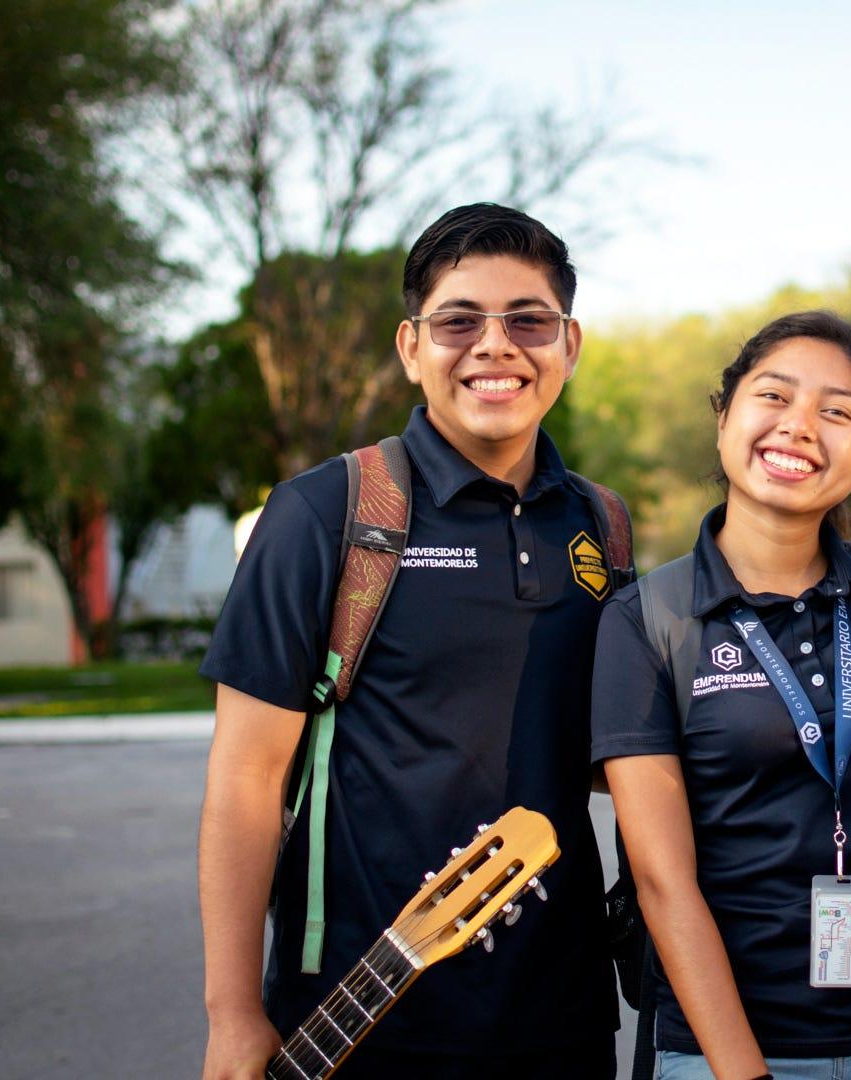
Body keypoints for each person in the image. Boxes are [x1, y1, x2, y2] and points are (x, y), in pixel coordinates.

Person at [197, 203, 620, 1078]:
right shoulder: (324, 514)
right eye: (459, 320)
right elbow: (245, 781)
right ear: (410, 347)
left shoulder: (601, 526)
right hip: (362, 1016)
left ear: (569, 345)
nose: (495, 345)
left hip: (562, 1019)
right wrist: (233, 1012)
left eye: (528, 321)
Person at [593, 312, 851, 1080]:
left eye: (837, 412)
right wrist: (744, 1073)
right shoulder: (648, 619)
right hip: (725, 1042)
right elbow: (661, 881)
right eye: (774, 396)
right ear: (723, 418)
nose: (800, 427)